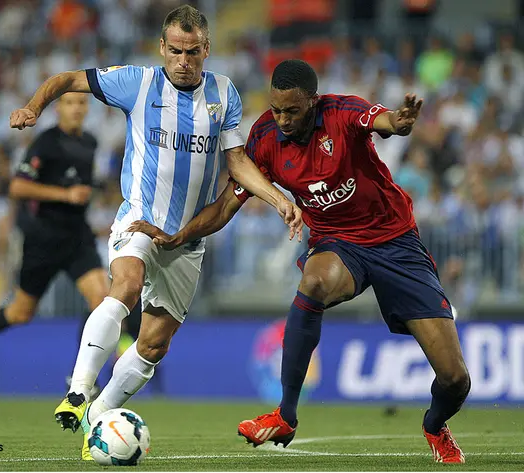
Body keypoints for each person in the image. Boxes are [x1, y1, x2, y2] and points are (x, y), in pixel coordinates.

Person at [128, 59, 470, 464]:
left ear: (313, 100)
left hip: (395, 241)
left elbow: (387, 122)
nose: (282, 119)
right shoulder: (265, 138)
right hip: (337, 242)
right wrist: (180, 236)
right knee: (313, 283)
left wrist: (401, 121)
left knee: (454, 379)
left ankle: (434, 425)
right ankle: (285, 415)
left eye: (292, 110)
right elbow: (226, 205)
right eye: (276, 109)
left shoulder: (341, 113)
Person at [8, 4, 302, 460]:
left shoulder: (224, 93)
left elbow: (237, 162)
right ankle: (81, 388)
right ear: (162, 48)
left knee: (153, 344)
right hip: (140, 219)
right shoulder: (137, 82)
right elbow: (67, 80)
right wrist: (32, 106)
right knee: (124, 286)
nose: (184, 61)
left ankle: (96, 419)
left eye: (193, 52)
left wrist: (278, 198)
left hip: (186, 240)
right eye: (176, 51)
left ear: (207, 49)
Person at [0, 93, 112, 396]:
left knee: (102, 299)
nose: (77, 108)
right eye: (70, 103)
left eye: (82, 103)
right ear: (59, 109)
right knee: (21, 312)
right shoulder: (46, 143)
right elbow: (17, 186)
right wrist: (65, 195)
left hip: (77, 237)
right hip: (43, 240)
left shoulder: (90, 142)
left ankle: (81, 378)